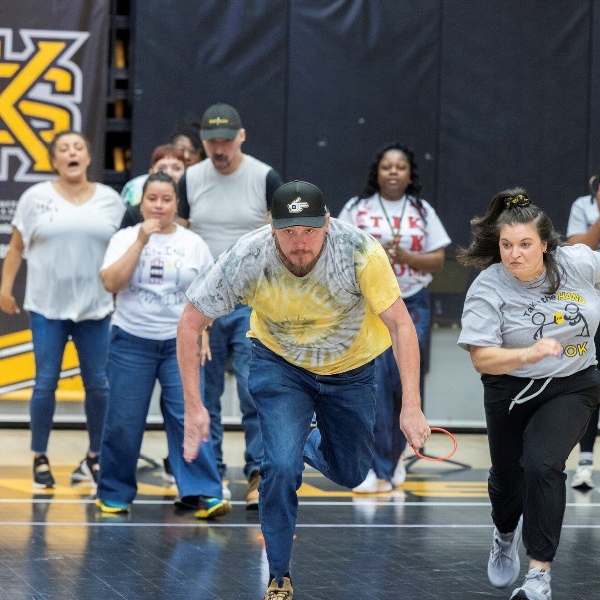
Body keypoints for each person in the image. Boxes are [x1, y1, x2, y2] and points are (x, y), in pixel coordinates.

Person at [177, 180, 430, 599]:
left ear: (327, 223)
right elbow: (190, 321)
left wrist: (412, 407)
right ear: (271, 226)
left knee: (352, 473)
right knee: (279, 465)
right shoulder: (247, 255)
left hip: (350, 369)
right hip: (280, 365)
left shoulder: (359, 251)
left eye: (310, 230)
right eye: (289, 231)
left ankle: (304, 439)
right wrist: (194, 406)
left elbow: (402, 325)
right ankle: (279, 575)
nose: (300, 243)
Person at [457, 188, 600, 600]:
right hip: (511, 390)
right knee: (507, 482)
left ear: (545, 244)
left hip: (572, 383)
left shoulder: (576, 262)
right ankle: (504, 534)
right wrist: (528, 352)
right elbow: (483, 360)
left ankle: (539, 576)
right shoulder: (488, 287)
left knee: (543, 465)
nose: (514, 254)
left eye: (524, 244)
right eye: (506, 245)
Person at [95, 172, 229, 518]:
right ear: (141, 204)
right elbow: (111, 282)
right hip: (130, 342)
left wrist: (204, 332)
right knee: (124, 420)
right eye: (152, 199)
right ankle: (114, 492)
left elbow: (209, 295)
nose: (158, 206)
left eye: (165, 200)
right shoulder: (124, 238)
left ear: (176, 204)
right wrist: (140, 242)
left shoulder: (193, 243)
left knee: (190, 414)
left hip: (178, 346)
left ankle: (202, 491)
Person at [0, 130, 124, 488]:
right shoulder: (34, 197)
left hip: (96, 308)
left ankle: (94, 457)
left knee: (98, 386)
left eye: (79, 148)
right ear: (54, 160)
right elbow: (16, 247)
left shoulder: (109, 200)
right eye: (64, 149)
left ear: (88, 158)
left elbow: (126, 248)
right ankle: (40, 456)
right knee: (45, 383)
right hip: (46, 307)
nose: (72, 153)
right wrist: (5, 288)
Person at [177, 102, 283, 507]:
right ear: (202, 142)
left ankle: (258, 472)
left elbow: (284, 236)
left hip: (252, 302)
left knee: (254, 388)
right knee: (205, 392)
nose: (218, 149)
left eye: (225, 141)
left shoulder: (264, 177)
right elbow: (181, 235)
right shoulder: (190, 178)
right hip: (204, 302)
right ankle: (213, 472)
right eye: (211, 142)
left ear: (242, 137)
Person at [339, 142, 450, 492]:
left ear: (409, 173)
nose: (392, 172)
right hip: (370, 305)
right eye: (386, 166)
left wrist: (406, 256)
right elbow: (337, 251)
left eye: (400, 167)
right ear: (376, 171)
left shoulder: (421, 209)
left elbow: (438, 261)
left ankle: (397, 456)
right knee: (374, 383)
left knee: (405, 382)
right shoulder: (357, 209)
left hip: (412, 301)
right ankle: (376, 467)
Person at [565, 173, 600, 490]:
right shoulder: (584, 206)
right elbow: (576, 250)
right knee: (592, 379)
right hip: (592, 304)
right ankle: (585, 462)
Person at [120, 143, 186, 211]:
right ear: (151, 172)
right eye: (162, 168)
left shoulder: (192, 192)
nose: (169, 173)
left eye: (176, 168)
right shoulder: (134, 188)